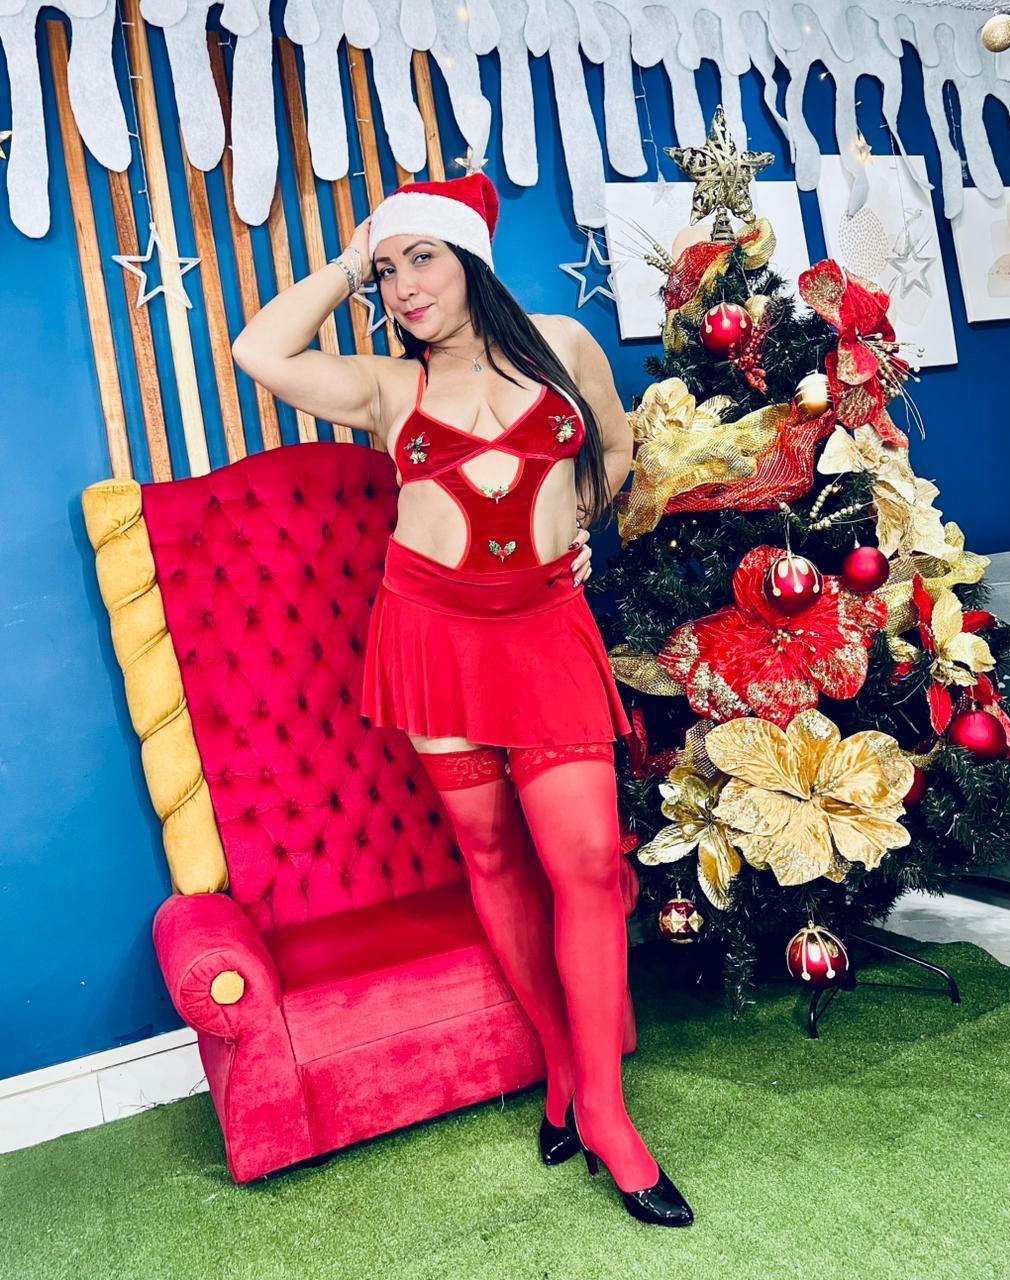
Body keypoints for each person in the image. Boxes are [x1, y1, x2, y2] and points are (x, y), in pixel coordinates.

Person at [231, 172, 693, 1228]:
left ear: (469, 258)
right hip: (432, 635)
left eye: (421, 258)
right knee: (491, 856)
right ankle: (562, 1068)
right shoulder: (388, 388)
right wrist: (352, 258)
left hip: (545, 627)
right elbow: (260, 350)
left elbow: (614, 445)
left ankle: (608, 1114)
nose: (403, 287)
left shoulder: (564, 347)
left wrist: (581, 521)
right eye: (388, 273)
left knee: (588, 864)